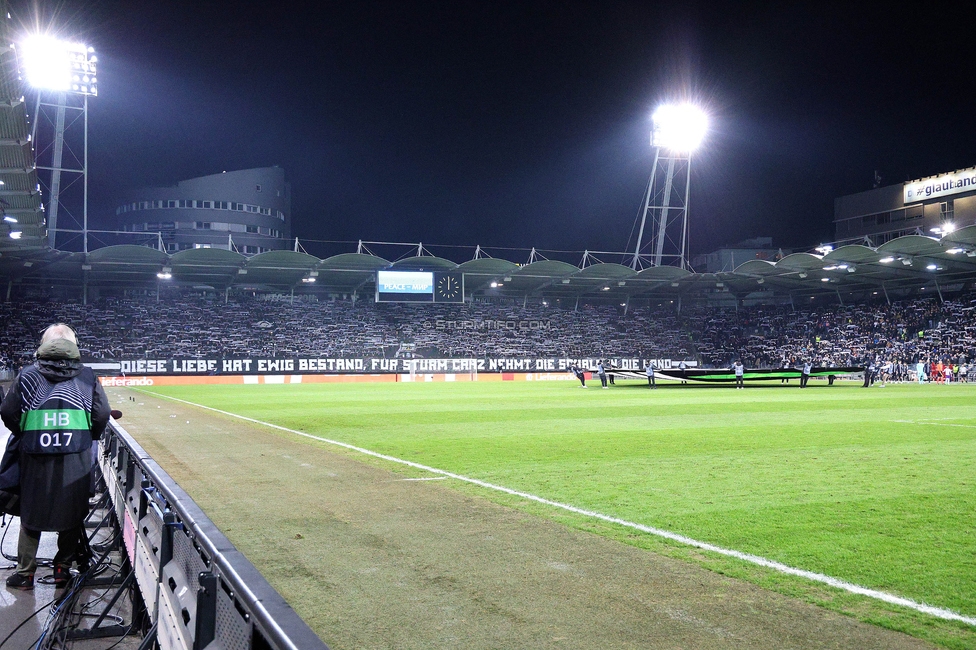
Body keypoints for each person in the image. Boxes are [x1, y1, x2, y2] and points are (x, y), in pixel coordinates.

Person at [1, 323, 111, 590]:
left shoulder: (26, 375)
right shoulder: (87, 376)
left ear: (44, 345)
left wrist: (26, 432)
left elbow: (8, 412)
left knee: (31, 513)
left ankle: (25, 574)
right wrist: (87, 437)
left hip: (35, 458)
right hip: (76, 458)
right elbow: (102, 415)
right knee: (71, 514)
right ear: (74, 344)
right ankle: (63, 569)